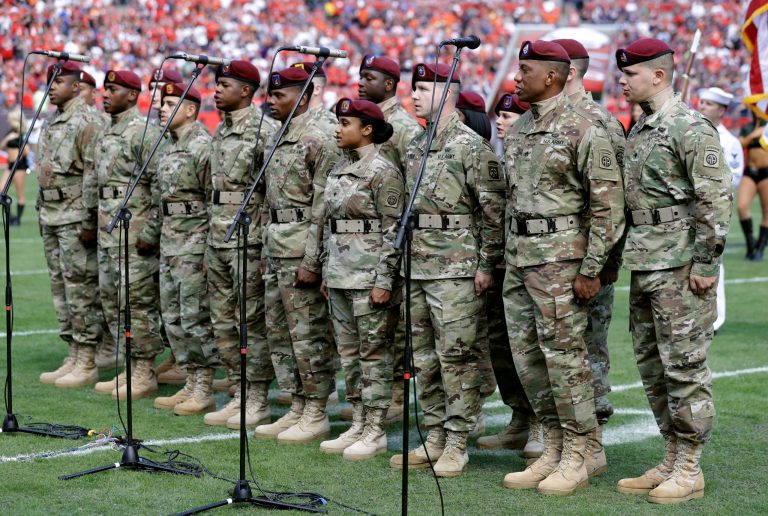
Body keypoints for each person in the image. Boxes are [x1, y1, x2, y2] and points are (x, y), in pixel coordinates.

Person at [501, 40, 624, 496]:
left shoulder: (585, 126)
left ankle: (579, 451)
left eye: (526, 70)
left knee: (566, 359)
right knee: (529, 358)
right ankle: (552, 446)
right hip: (520, 258)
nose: (517, 78)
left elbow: (607, 206)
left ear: (552, 76)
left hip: (562, 261)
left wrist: (593, 268)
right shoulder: (521, 128)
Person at [615, 38, 731, 504]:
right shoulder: (642, 127)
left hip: (681, 264)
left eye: (631, 75)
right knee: (652, 366)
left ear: (658, 75)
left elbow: (714, 198)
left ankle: (689, 466)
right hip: (645, 259)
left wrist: (706, 262)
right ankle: (671, 453)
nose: (623, 82)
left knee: (684, 367)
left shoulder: (690, 127)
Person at [388, 62, 504, 478]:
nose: (414, 95)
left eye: (423, 89)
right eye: (414, 88)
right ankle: (435, 434)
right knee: (423, 359)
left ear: (448, 93)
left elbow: (493, 210)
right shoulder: (417, 144)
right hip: (418, 265)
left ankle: (457, 441)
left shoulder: (470, 146)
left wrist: (487, 264)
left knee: (456, 357)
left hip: (456, 268)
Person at [254, 66, 341, 444]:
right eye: (270, 95)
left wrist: (312, 259)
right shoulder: (277, 134)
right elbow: (268, 199)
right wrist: (264, 246)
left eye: (280, 95)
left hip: (302, 245)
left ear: (303, 97)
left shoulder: (320, 135)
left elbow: (323, 203)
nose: (271, 101)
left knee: (307, 333)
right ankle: (297, 402)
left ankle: (317, 409)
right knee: (279, 332)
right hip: (276, 244)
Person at [555, 37, 628, 476]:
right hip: (549, 259)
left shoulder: (600, 122)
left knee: (588, 348)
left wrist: (603, 267)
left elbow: (614, 203)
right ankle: (560, 438)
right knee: (558, 352)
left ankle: (593, 440)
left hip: (588, 260)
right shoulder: (541, 119)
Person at [318, 98, 403, 460]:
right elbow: (330, 224)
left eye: (345, 123)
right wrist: (326, 268)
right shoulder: (339, 167)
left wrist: (384, 280)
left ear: (367, 129)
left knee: (373, 355)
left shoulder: (383, 171)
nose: (337, 129)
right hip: (340, 272)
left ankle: (375, 428)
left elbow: (393, 230)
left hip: (368, 276)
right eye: (338, 122)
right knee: (349, 354)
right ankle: (358, 420)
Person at [202, 61, 280, 430]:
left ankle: (257, 397)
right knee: (222, 320)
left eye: (225, 85)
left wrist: (263, 242)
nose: (217, 90)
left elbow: (272, 191)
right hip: (218, 235)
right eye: (217, 84)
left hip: (248, 238)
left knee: (248, 320)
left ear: (246, 90)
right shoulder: (221, 129)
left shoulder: (265, 130)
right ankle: (238, 390)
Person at [84, 70, 164, 400]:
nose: (105, 94)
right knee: (112, 299)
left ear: (132, 95)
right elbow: (94, 179)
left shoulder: (144, 132)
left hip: (134, 230)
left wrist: (151, 229)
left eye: (113, 89)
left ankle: (144, 370)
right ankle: (130, 365)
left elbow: (160, 183)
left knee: (137, 302)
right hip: (108, 231)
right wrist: (91, 220)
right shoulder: (105, 131)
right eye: (105, 89)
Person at [357, 54, 424, 424]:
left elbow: (412, 187)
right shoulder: (358, 122)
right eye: (360, 75)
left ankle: (397, 395)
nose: (360, 82)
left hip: (391, 236)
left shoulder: (405, 128)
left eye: (369, 77)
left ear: (388, 84)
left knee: (395, 325)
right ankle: (370, 397)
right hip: (359, 243)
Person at [34, 62, 105, 388]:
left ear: (76, 87)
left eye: (59, 81)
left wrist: (90, 220)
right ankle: (73, 353)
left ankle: (88, 359)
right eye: (50, 80)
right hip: (51, 213)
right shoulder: (51, 119)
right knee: (60, 289)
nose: (52, 86)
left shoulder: (88, 120)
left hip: (75, 215)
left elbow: (92, 173)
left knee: (81, 289)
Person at [150, 83, 220, 415]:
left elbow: (213, 200)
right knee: (173, 317)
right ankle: (190, 380)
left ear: (190, 110)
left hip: (194, 243)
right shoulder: (168, 146)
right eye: (162, 103)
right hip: (170, 242)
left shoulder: (202, 146)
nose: (161, 108)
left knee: (195, 318)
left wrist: (208, 248)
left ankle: (204, 385)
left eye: (169, 103)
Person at [476, 92, 537, 456]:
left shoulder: (532, 155)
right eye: (498, 114)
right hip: (499, 261)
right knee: (501, 346)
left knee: (531, 345)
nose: (500, 120)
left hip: (528, 261)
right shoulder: (498, 157)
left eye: (509, 115)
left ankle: (541, 422)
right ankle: (519, 417)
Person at [697, 87, 744, 332]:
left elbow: (735, 176)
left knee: (713, 261)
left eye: (709, 103)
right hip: (688, 210)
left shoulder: (729, 142)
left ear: (722, 110)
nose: (702, 106)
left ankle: (716, 319)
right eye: (702, 102)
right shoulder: (690, 133)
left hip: (715, 210)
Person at [737, 112, 768, 260]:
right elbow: (740, 144)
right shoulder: (747, 127)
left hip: (766, 173)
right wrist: (754, 134)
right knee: (741, 207)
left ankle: (760, 248)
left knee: (767, 212)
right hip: (750, 172)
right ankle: (750, 244)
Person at [0, 110, 30, 226]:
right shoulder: (10, 133)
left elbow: (26, 152)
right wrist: (9, 139)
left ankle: (17, 220)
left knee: (19, 194)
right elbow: (2, 146)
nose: (8, 121)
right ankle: (11, 217)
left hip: (19, 167)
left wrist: (18, 154)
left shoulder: (22, 134)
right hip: (10, 166)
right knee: (1, 192)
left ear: (15, 119)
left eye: (10, 119)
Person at [291, 61, 338, 132]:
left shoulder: (333, 125)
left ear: (316, 89)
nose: (292, 90)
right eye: (292, 85)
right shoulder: (286, 119)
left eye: (300, 85)